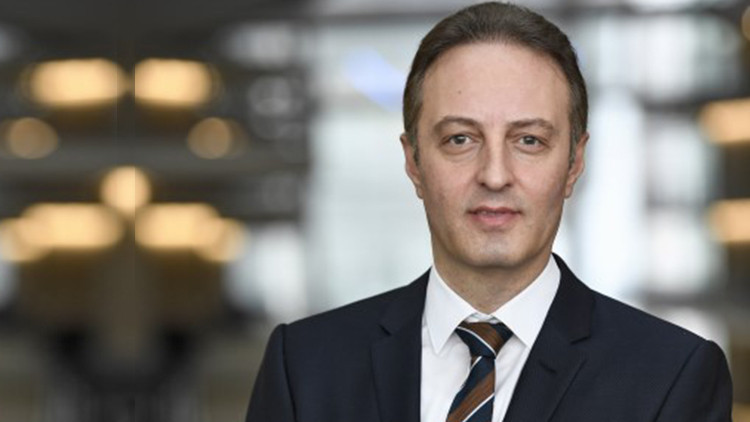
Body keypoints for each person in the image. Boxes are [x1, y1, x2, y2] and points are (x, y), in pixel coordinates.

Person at [245, 2, 733, 421]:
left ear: (574, 163)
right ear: (414, 162)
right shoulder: (303, 368)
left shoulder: (672, 376)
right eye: (460, 139)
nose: (495, 175)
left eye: (529, 140)